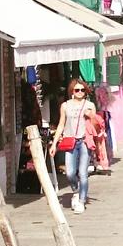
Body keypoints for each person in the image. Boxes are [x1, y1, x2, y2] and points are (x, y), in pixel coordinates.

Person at [51, 79, 96, 214]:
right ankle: (76, 191)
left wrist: (91, 116)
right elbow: (61, 124)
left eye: (82, 90)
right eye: (77, 90)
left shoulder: (90, 105)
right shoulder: (65, 106)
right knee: (70, 173)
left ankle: (81, 201)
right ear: (72, 91)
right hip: (70, 141)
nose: (80, 92)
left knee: (83, 173)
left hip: (84, 142)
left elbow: (96, 125)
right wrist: (54, 144)